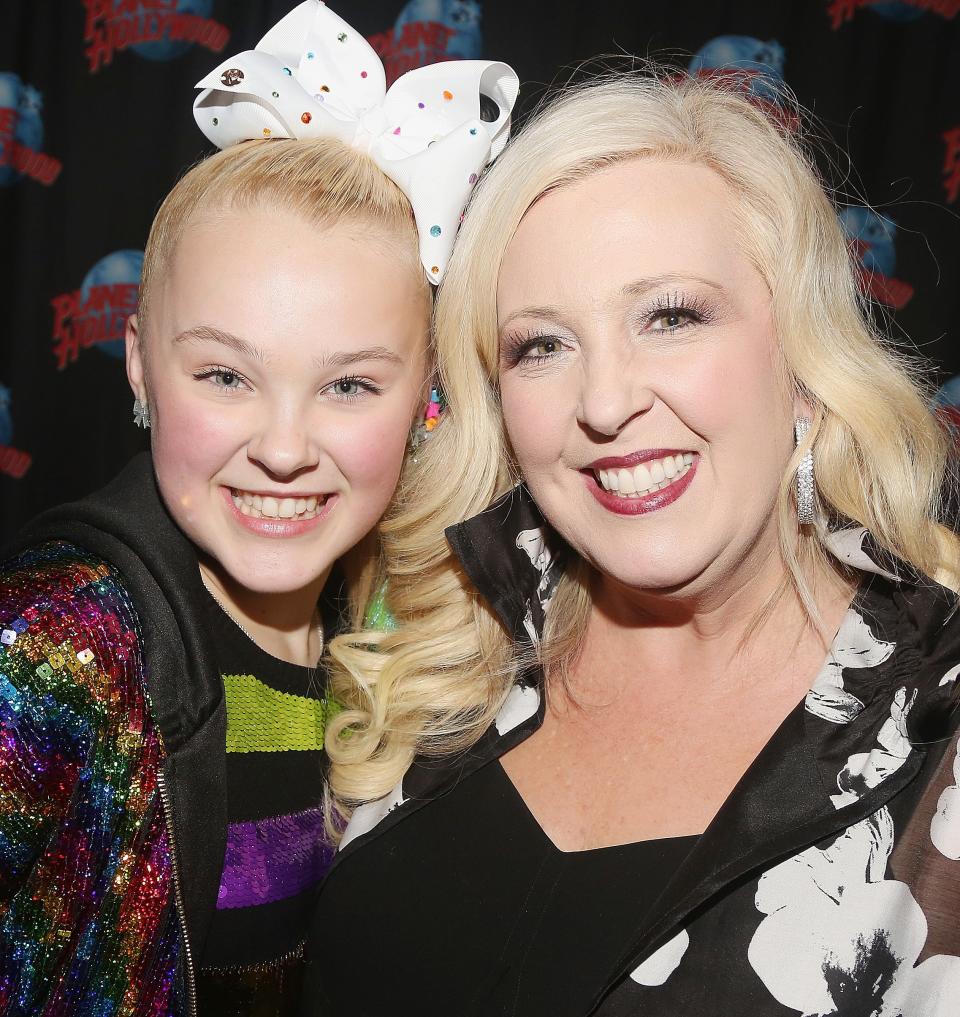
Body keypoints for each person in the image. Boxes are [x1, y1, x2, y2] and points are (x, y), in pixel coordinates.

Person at [305, 71, 960, 1015]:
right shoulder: (446, 661)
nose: (606, 402)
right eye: (541, 345)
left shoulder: (936, 734)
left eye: (672, 316)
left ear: (802, 361)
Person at [0, 2, 516, 1014]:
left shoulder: (392, 626)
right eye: (226, 376)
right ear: (141, 364)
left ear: (428, 397)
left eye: (350, 386)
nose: (283, 448)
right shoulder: (60, 648)